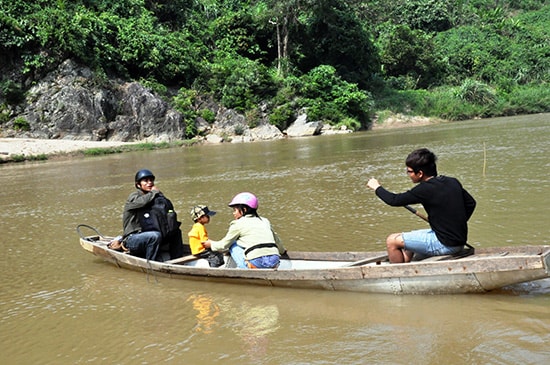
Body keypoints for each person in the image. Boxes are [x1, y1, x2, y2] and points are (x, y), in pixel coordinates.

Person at [366, 148, 476, 263]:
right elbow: (471, 203)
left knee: (391, 241)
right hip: (458, 241)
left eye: (409, 171)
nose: (408, 174)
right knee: (409, 237)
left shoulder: (424, 189)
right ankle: (405, 264)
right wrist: (454, 224)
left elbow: (394, 200)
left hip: (446, 245)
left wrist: (376, 187)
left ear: (420, 174)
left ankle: (397, 276)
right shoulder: (452, 181)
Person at [108, 169, 188, 261]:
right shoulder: (134, 197)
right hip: (133, 239)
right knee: (154, 236)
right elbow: (142, 202)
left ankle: (178, 260)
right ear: (138, 185)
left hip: (152, 235)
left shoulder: (155, 197)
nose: (149, 183)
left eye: (151, 180)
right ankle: (151, 264)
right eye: (145, 181)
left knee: (176, 232)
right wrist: (154, 192)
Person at [202, 192, 286, 269]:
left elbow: (224, 245)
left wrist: (211, 244)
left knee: (233, 244)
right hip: (275, 262)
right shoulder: (265, 221)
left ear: (244, 209)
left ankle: (247, 268)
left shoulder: (237, 224)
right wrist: (282, 251)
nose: (233, 213)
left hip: (257, 263)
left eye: (235, 210)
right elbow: (277, 241)